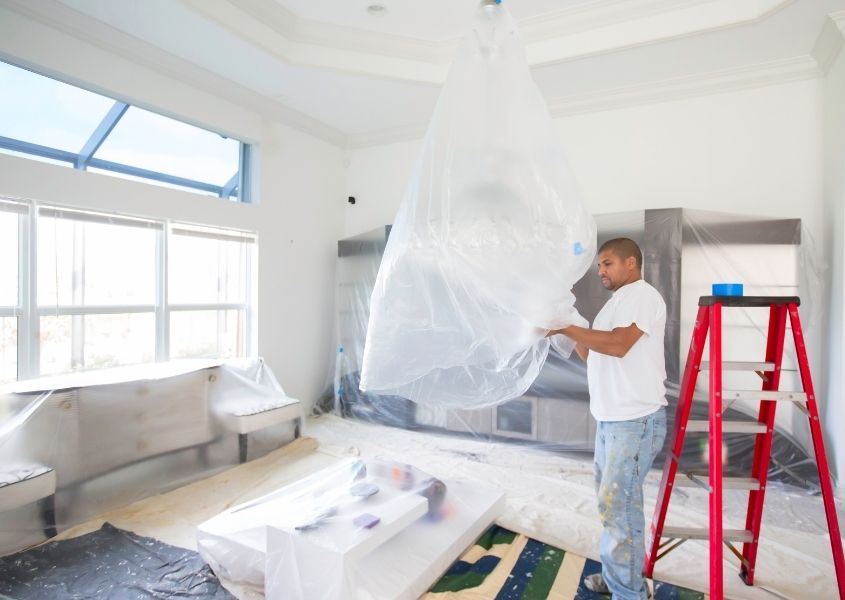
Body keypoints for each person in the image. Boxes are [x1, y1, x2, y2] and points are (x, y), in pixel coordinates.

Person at [548, 237, 667, 599]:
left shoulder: (643, 297)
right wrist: (563, 325)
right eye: (599, 265)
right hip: (612, 420)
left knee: (620, 508)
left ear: (631, 262)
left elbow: (618, 345)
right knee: (611, 505)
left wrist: (567, 329)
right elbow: (595, 355)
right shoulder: (614, 306)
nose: (600, 270)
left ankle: (628, 592)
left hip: (635, 421)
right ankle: (620, 578)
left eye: (608, 263)